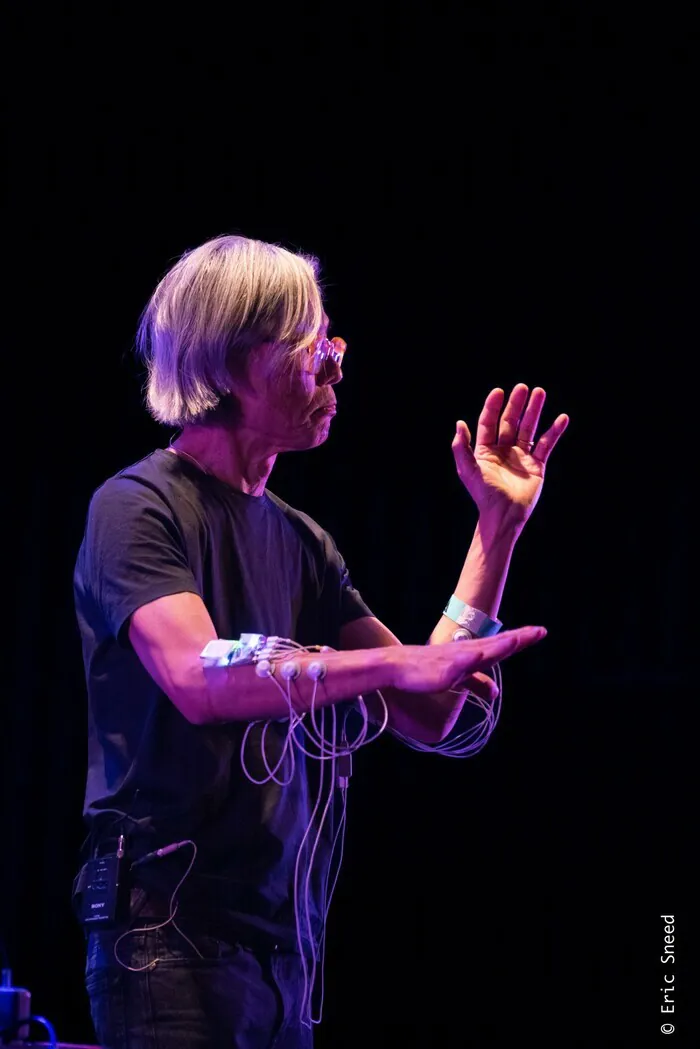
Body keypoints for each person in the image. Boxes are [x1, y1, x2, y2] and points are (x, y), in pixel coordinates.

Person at [73, 233, 568, 1049]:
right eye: (313, 344)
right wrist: (396, 659)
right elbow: (201, 677)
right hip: (166, 936)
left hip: (278, 948)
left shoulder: (304, 543)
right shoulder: (136, 508)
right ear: (230, 363)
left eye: (333, 341)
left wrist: (498, 527)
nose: (337, 363)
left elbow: (432, 707)